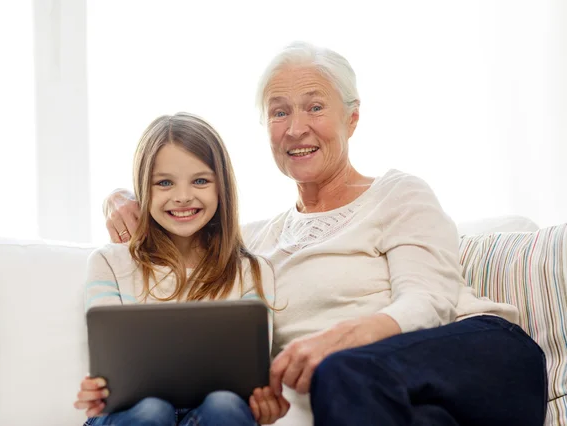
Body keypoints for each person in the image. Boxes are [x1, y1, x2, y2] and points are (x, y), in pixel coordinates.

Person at [103, 42, 548, 426]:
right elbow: (181, 220)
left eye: (315, 106)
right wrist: (123, 197)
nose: (296, 128)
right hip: (379, 404)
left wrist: (339, 339)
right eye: (279, 112)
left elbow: (428, 301)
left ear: (352, 119)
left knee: (341, 372)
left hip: (480, 363)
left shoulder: (398, 193)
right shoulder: (253, 242)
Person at [74, 113, 290, 426]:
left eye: (200, 180)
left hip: (212, 414)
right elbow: (111, 364)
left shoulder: (252, 271)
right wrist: (100, 390)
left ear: (222, 188)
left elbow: (248, 379)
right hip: (132, 413)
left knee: (226, 405)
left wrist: (261, 401)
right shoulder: (109, 262)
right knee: (152, 410)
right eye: (164, 183)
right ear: (143, 189)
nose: (183, 196)